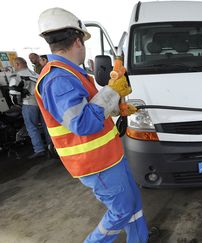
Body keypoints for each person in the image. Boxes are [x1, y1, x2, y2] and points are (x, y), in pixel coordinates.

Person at [36, 8, 148, 242]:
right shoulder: (58, 79)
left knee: (133, 203)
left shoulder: (73, 74)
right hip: (96, 163)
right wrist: (111, 91)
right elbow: (83, 122)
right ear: (78, 40)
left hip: (109, 156)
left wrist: (119, 108)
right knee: (121, 211)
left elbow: (92, 108)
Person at [8, 57, 51, 159]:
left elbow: (13, 93)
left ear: (18, 64)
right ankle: (51, 146)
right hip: (42, 103)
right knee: (46, 126)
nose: (14, 67)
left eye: (14, 65)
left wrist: (18, 104)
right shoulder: (35, 74)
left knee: (32, 127)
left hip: (29, 103)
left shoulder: (17, 75)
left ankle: (39, 149)